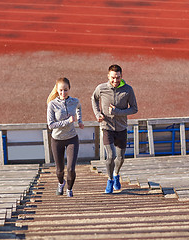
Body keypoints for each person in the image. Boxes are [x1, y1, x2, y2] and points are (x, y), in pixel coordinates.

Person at [91, 64, 138, 193]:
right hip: (107, 127)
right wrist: (97, 114)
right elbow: (93, 99)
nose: (115, 80)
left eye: (117, 77)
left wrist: (117, 112)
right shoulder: (101, 88)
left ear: (121, 76)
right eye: (113, 77)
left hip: (122, 128)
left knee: (121, 158)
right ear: (108, 76)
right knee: (110, 156)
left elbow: (134, 108)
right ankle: (110, 179)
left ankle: (116, 174)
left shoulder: (128, 90)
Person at [47, 77, 84, 197]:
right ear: (57, 90)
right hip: (57, 140)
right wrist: (67, 121)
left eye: (66, 90)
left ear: (69, 89)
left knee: (71, 169)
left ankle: (69, 189)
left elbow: (79, 107)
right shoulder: (52, 104)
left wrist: (80, 121)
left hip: (72, 138)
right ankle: (60, 183)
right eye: (61, 90)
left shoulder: (74, 101)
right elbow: (51, 125)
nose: (63, 93)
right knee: (59, 170)